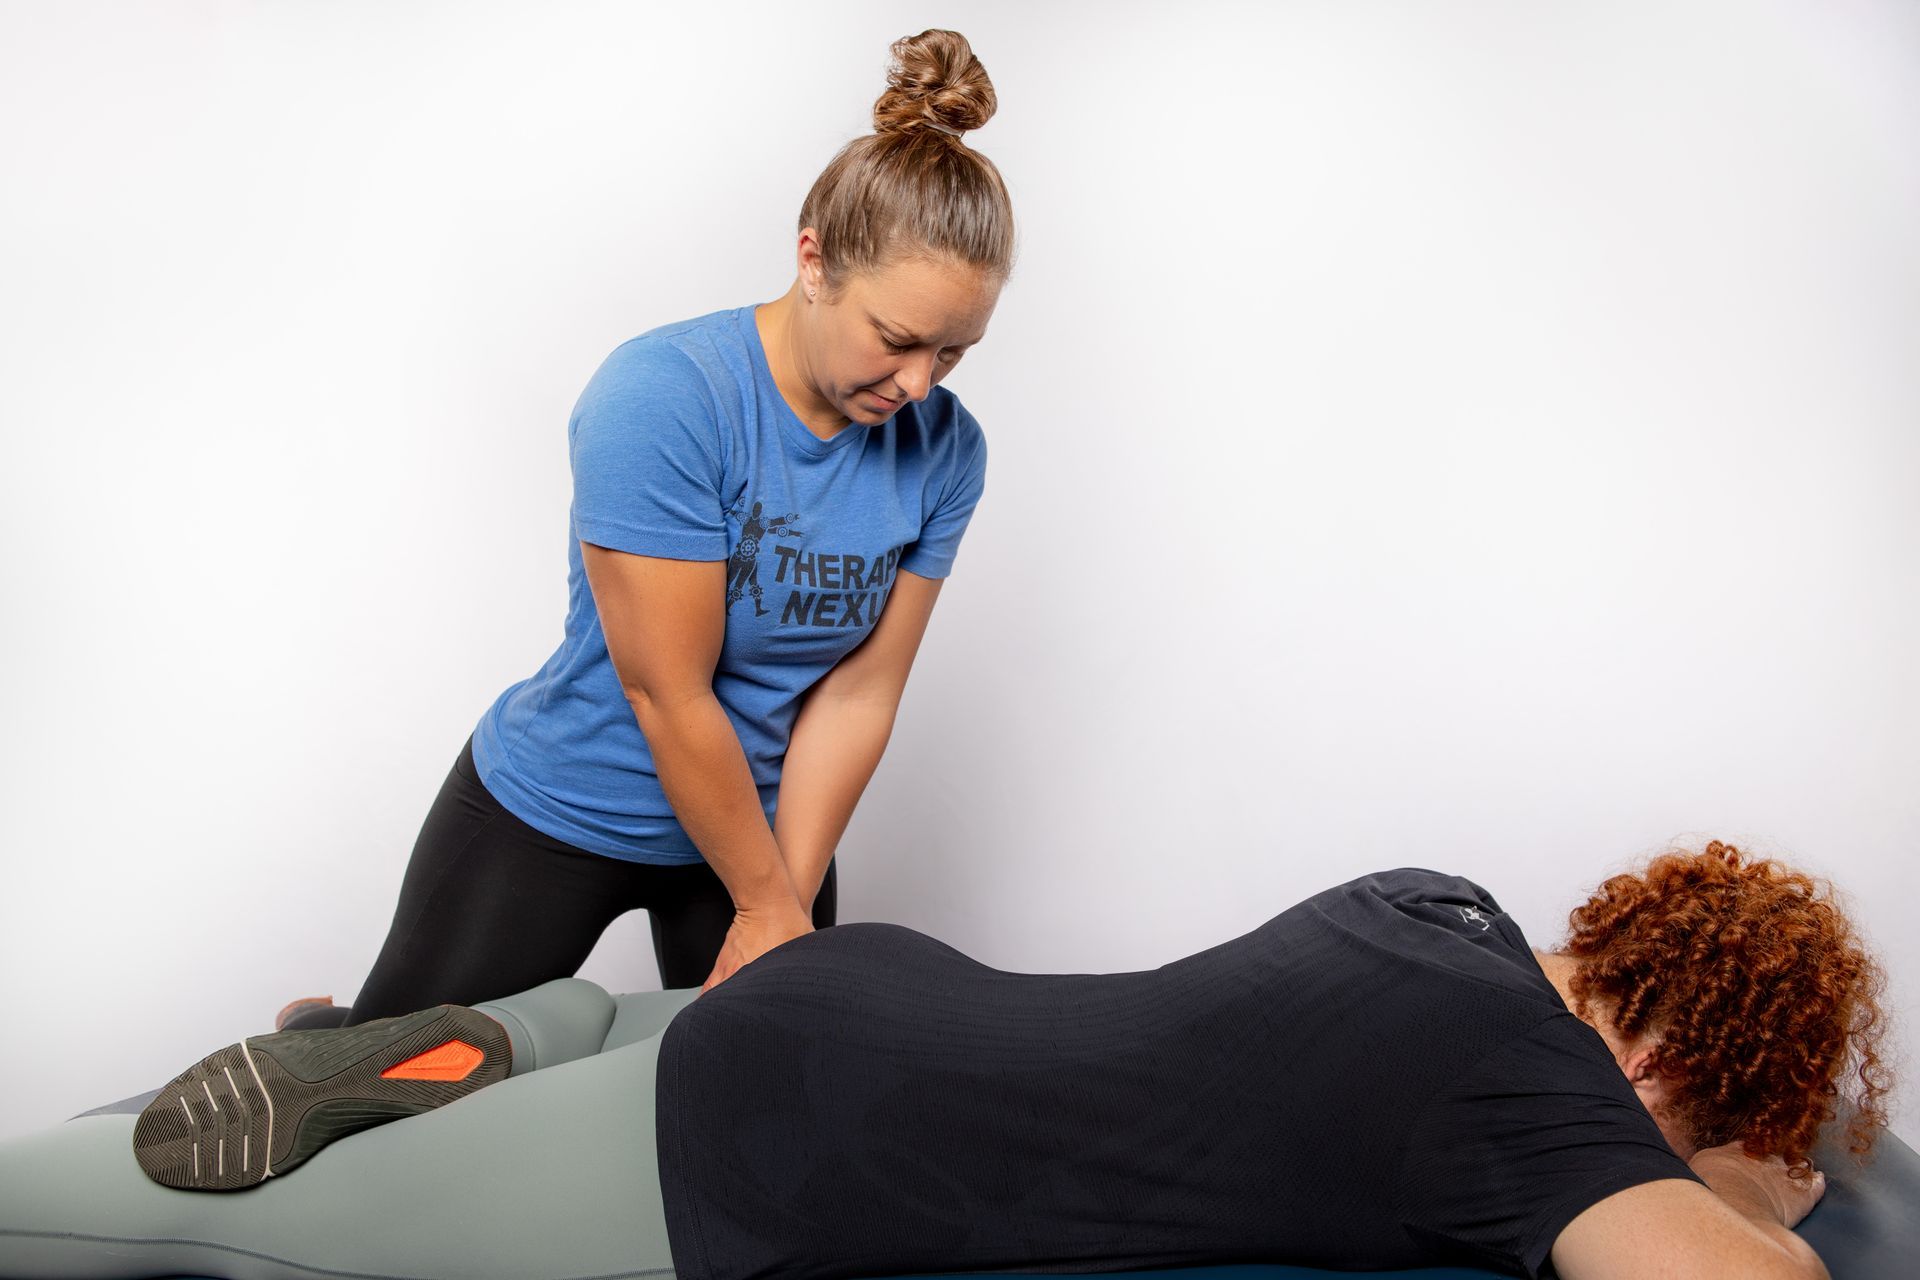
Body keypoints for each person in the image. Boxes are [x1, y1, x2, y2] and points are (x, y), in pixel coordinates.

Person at [0, 841, 1891, 1280]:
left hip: (852, 992)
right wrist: (1755, 1187)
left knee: (550, 1033)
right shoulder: (1534, 1099)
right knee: (188, 1227)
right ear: (1673, 1059)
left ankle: (502, 1030)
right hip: (784, 1136)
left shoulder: (1436, 903)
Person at [275, 28, 1015, 1032]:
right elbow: (667, 689)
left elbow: (859, 689)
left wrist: (778, 906)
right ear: (814, 261)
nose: (920, 382)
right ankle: (331, 1028)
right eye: (895, 337)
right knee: (392, 1084)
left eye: (953, 350)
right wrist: (762, 904)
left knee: (770, 1112)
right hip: (564, 800)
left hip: (756, 834)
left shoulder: (945, 451)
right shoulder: (664, 397)